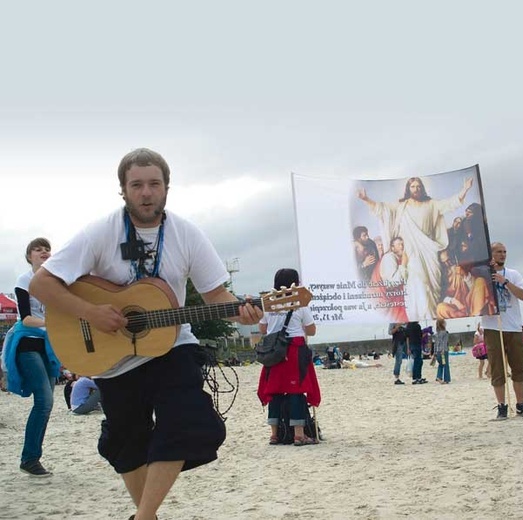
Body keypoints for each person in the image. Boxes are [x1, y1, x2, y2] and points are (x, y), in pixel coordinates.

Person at [29, 148, 262, 519]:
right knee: (127, 443)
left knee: (188, 421)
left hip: (171, 344)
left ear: (167, 188)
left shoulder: (186, 234)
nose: (146, 192)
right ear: (123, 190)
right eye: (137, 185)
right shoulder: (99, 232)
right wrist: (90, 312)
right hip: (110, 356)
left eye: (154, 184)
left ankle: (142, 517)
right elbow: (43, 284)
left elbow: (216, 293)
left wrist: (243, 313)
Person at [357, 176, 474, 320]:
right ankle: (421, 316)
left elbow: (450, 203)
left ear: (422, 188)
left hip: (429, 251)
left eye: (418, 186)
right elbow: (383, 209)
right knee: (417, 282)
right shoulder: (402, 205)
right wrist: (366, 199)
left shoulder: (431, 204)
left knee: (433, 285)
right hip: (411, 252)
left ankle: (433, 315)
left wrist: (465, 189)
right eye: (413, 186)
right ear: (408, 188)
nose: (416, 189)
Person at [1, 238, 60, 477]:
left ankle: (31, 457)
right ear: (29, 257)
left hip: (48, 344)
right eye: (38, 249)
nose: (44, 251)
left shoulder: (53, 281)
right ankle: (30, 458)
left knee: (48, 403)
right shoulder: (24, 280)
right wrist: (54, 324)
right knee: (44, 401)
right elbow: (26, 319)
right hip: (27, 343)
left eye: (46, 248)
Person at [257, 268, 321, 446]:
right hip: (294, 349)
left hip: (275, 350)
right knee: (296, 390)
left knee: (275, 391)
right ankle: (299, 434)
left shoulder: (268, 303)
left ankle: (274, 434)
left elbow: (263, 329)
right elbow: (311, 330)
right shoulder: (299, 303)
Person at [482, 242, 523, 420]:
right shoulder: (483, 275)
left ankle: (520, 404)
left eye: (504, 252)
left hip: (513, 326)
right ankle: (501, 406)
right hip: (493, 326)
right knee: (497, 368)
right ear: (491, 254)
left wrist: (505, 282)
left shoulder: (513, 274)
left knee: (519, 366)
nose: (503, 254)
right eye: (498, 252)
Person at [434, 319, 450, 384]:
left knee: (440, 364)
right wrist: (443, 349)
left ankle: (439, 376)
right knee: (446, 365)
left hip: (438, 351)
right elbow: (444, 342)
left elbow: (435, 343)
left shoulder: (436, 334)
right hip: (443, 351)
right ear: (443, 324)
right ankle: (446, 379)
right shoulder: (445, 332)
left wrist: (434, 352)